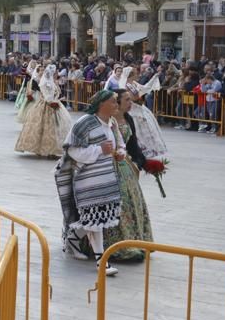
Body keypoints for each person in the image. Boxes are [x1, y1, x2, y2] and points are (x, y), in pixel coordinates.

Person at [72, 89, 155, 262]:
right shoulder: (88, 122)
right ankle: (94, 248)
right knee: (99, 210)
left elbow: (125, 143)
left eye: (121, 101)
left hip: (120, 169)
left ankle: (120, 246)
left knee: (118, 207)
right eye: (120, 100)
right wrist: (99, 151)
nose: (124, 104)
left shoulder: (118, 121)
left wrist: (125, 154)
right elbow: (73, 149)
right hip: (98, 171)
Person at [54, 89, 124, 276]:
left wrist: (120, 152)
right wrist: (99, 149)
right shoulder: (84, 123)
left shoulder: (111, 123)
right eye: (113, 102)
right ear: (102, 104)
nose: (116, 106)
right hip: (87, 180)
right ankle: (102, 262)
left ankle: (73, 237)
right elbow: (73, 151)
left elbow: (118, 143)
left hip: (106, 179)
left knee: (97, 219)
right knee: (95, 221)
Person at [15, 63, 72, 158]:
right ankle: (45, 150)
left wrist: (57, 100)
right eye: (55, 72)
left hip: (55, 105)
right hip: (46, 105)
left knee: (55, 128)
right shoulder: (45, 83)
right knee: (44, 128)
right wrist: (52, 102)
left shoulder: (53, 82)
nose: (56, 74)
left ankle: (53, 150)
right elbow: (47, 95)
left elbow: (56, 93)